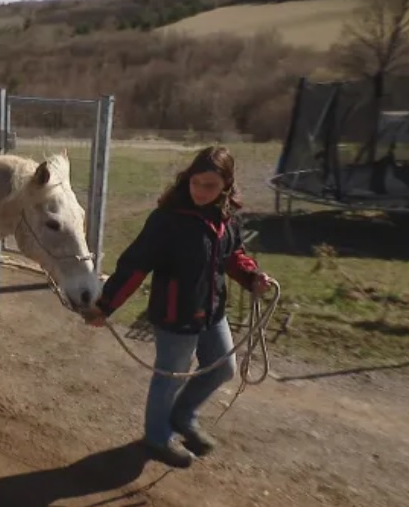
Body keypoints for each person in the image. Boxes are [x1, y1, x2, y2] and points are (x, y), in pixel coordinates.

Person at [85, 145, 272, 469]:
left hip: (212, 311)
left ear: (226, 185)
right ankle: (157, 437)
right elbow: (135, 265)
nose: (201, 191)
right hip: (175, 315)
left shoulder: (226, 217)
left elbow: (233, 256)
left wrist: (251, 276)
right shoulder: (167, 220)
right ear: (187, 179)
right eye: (196, 182)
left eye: (210, 185)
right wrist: (106, 304)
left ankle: (183, 417)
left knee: (223, 367)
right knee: (169, 378)